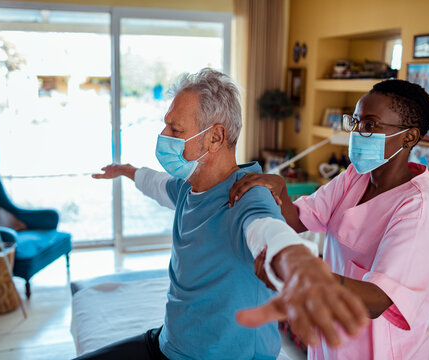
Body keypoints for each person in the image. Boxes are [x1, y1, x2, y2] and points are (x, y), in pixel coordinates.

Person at [78, 68, 368, 360]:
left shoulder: (246, 194)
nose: (163, 136)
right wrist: (126, 170)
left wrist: (294, 258)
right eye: (166, 126)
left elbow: (266, 228)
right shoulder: (189, 187)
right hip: (168, 344)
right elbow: (156, 184)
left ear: (216, 137)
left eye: (176, 130)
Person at [230, 79, 429, 359]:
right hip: (332, 339)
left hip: (383, 351)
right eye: (355, 122)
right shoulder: (356, 176)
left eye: (370, 125)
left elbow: (377, 299)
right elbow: (297, 220)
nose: (356, 133)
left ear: (409, 136)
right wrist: (279, 188)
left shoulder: (417, 210)